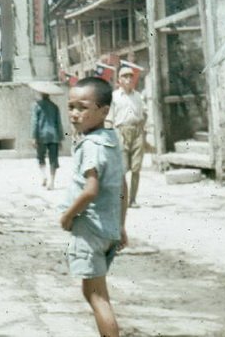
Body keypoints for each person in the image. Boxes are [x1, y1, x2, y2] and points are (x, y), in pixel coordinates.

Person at [60, 77, 128, 337]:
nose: (75, 114)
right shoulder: (110, 139)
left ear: (104, 111)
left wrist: (67, 216)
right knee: (93, 292)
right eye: (71, 107)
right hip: (107, 228)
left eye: (82, 108)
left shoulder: (90, 145)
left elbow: (90, 190)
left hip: (90, 230)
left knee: (97, 297)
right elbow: (122, 186)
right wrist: (120, 225)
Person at [107, 65, 146, 207]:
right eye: (125, 76)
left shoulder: (138, 96)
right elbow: (109, 118)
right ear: (119, 80)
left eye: (131, 76)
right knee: (123, 168)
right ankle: (121, 199)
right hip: (121, 132)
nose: (129, 79)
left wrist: (141, 129)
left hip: (137, 132)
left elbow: (144, 114)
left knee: (136, 168)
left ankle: (133, 200)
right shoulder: (115, 97)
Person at [30, 84, 64, 190]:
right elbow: (59, 123)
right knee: (53, 159)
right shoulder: (55, 107)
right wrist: (61, 139)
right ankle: (52, 182)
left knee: (41, 157)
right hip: (54, 135)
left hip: (41, 135)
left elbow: (34, 122)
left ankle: (44, 176)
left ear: (41, 94)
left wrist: (33, 137)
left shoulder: (37, 106)